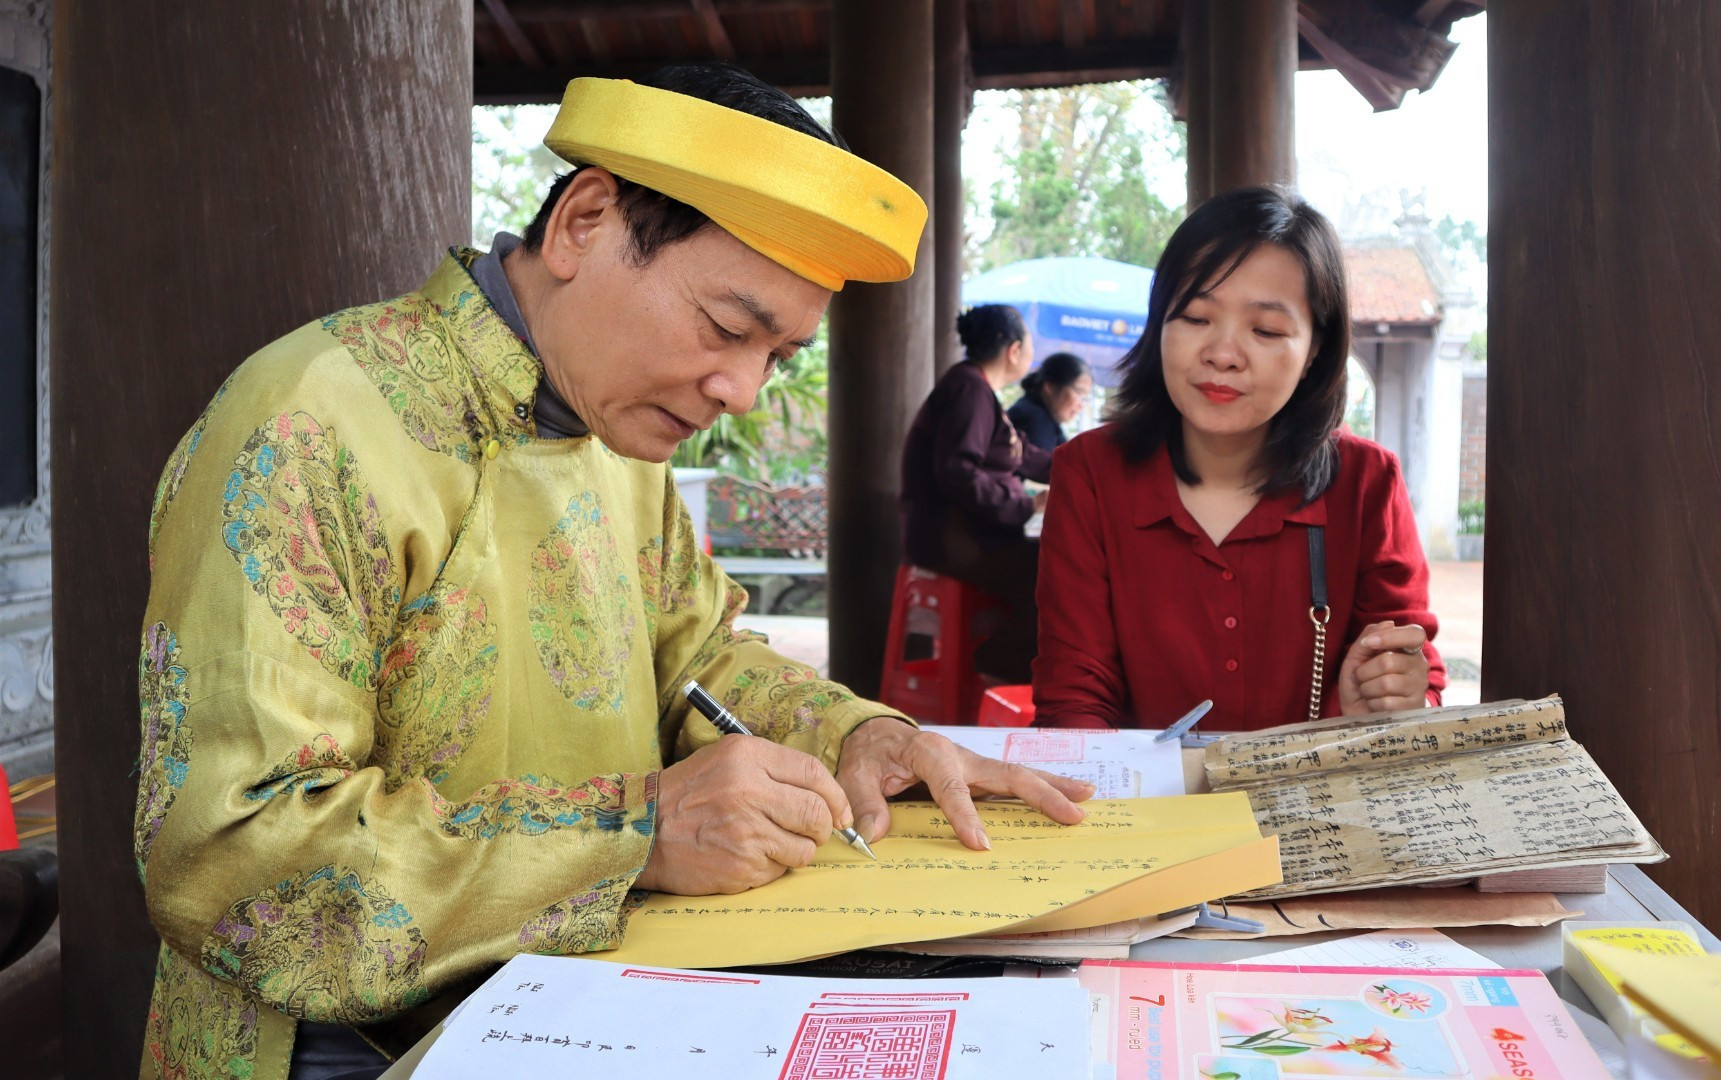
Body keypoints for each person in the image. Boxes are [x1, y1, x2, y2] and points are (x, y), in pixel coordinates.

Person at [136, 65, 1093, 1080]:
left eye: (777, 356)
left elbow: (698, 659)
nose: (741, 390)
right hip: (338, 1045)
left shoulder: (620, 437)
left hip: (586, 1000)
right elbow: (229, 849)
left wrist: (860, 735)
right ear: (584, 222)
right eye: (728, 328)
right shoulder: (309, 421)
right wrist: (637, 833)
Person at [1034, 187, 1446, 731]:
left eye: (1266, 330)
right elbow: (1073, 698)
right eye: (1196, 318)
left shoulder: (1367, 483)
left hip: (1316, 783)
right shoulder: (1090, 473)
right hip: (1134, 788)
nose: (1223, 355)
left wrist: (1391, 699)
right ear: (1160, 324)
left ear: (1314, 349)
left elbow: (1417, 685)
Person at [900, 305, 1050, 682]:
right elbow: (958, 472)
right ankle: (996, 663)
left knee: (1054, 566)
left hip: (967, 538)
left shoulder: (976, 389)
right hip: (953, 542)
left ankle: (1002, 665)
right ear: (1014, 351)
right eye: (1030, 346)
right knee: (1057, 575)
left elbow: (1025, 455)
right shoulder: (969, 389)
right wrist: (1024, 505)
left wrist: (1083, 467)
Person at [1007, 350, 1094, 453]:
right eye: (1079, 392)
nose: (1081, 405)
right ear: (1050, 386)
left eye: (1085, 397)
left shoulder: (1040, 416)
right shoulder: (1034, 421)